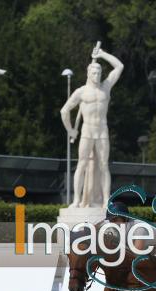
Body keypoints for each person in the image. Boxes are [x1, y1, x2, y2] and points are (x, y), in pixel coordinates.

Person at [60, 44, 123, 208]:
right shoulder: (81, 92)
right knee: (81, 164)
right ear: (88, 73)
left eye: (99, 72)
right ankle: (76, 200)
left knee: (104, 165)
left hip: (102, 131)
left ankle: (106, 200)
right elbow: (64, 111)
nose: (97, 75)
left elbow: (119, 66)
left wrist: (102, 54)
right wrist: (70, 130)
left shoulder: (106, 87)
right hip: (87, 131)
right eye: (94, 72)